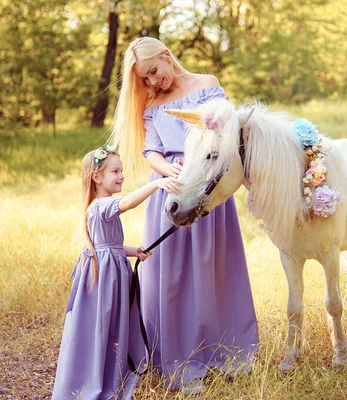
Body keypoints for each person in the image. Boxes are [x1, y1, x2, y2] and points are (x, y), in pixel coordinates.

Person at [110, 37, 259, 394]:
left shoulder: (207, 86)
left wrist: (193, 167)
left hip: (205, 187)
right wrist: (170, 173)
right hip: (172, 190)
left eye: (153, 72)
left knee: (215, 271)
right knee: (170, 276)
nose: (152, 82)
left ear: (166, 56)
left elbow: (223, 135)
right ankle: (177, 356)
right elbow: (152, 151)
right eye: (145, 79)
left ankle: (225, 352)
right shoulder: (153, 104)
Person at [52, 145, 181, 400]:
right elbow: (127, 203)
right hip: (104, 278)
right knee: (101, 327)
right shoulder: (101, 206)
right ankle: (94, 379)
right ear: (97, 177)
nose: (121, 176)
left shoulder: (99, 207)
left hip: (112, 273)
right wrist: (157, 184)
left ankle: (110, 372)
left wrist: (133, 250)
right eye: (115, 171)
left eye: (121, 170)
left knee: (111, 326)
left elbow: (107, 245)